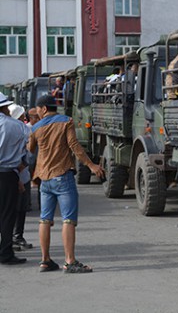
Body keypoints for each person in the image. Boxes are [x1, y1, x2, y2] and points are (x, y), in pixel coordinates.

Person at [27, 94, 105, 273]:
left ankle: (45, 260)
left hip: (44, 180)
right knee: (68, 220)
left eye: (38, 110)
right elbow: (74, 146)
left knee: (45, 219)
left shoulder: (35, 128)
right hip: (63, 176)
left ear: (44, 109)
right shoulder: (66, 122)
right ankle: (69, 261)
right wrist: (91, 165)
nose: (37, 113)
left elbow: (29, 151)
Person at [0, 93, 29, 265]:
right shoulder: (17, 126)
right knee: (7, 215)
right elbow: (27, 154)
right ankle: (5, 252)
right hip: (7, 175)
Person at [8, 104, 33, 252]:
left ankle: (17, 236)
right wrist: (20, 165)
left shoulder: (24, 128)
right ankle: (10, 238)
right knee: (12, 209)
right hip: (14, 174)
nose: (24, 118)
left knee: (21, 208)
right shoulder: (16, 129)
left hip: (23, 175)